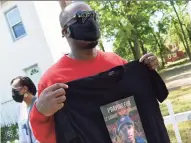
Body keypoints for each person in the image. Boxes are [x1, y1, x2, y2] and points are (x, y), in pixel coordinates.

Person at [30, 2, 159, 143]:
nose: (90, 21)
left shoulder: (116, 61)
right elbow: (47, 137)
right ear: (65, 31)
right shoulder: (52, 80)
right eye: (81, 17)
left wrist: (148, 70)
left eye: (93, 16)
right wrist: (40, 112)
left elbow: (140, 104)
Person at [11, 76, 39, 143]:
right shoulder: (20, 108)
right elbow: (22, 134)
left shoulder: (40, 104)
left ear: (25, 89)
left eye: (14, 89)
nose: (13, 92)